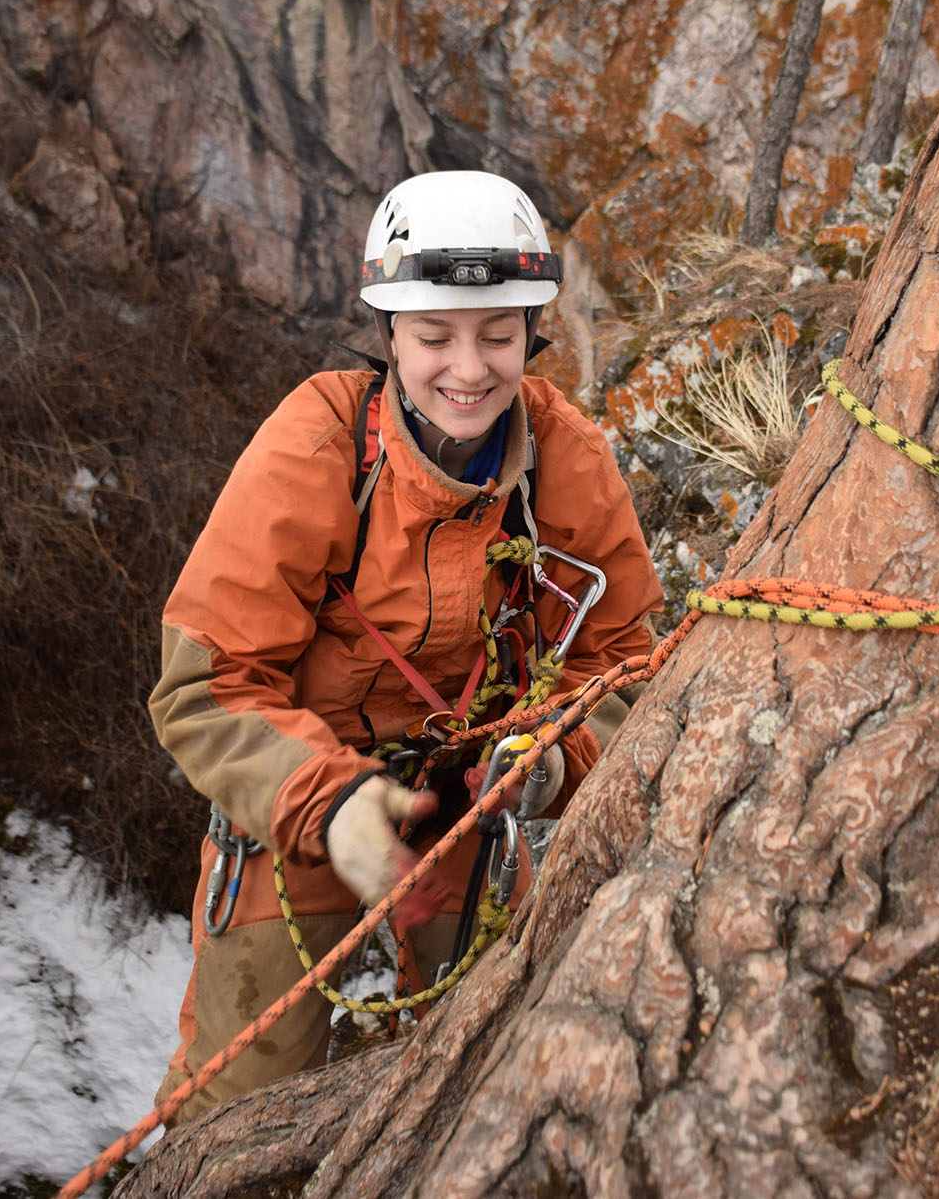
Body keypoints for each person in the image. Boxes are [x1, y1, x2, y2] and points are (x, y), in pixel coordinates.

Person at [149, 170, 664, 1117]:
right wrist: (328, 801)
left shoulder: (567, 459)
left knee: (490, 1061)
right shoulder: (320, 443)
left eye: (498, 335)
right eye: (434, 336)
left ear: (532, 333)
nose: (468, 369)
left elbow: (625, 663)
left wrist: (557, 758)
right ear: (390, 334)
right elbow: (206, 682)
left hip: (471, 802)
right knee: (237, 1096)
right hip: (303, 797)